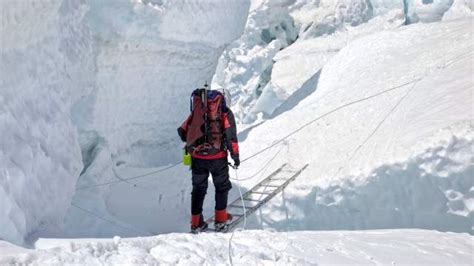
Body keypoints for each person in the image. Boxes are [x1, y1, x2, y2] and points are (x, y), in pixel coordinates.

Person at [177, 88, 240, 233]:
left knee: (198, 189)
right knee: (222, 187)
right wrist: (235, 156)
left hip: (197, 158)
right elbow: (231, 137)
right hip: (217, 158)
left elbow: (182, 132)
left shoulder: (197, 112)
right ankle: (221, 220)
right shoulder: (225, 113)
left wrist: (197, 140)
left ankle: (196, 223)